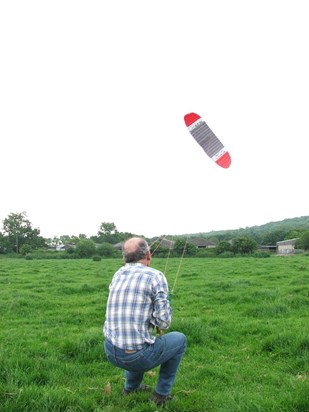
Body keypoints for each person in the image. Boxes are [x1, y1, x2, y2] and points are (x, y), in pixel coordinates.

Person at [103, 237, 187, 406]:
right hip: (135, 357)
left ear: (124, 257)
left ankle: (130, 388)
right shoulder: (155, 275)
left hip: (110, 350)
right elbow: (164, 323)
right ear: (148, 254)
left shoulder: (118, 273)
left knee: (135, 341)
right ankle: (161, 395)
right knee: (179, 339)